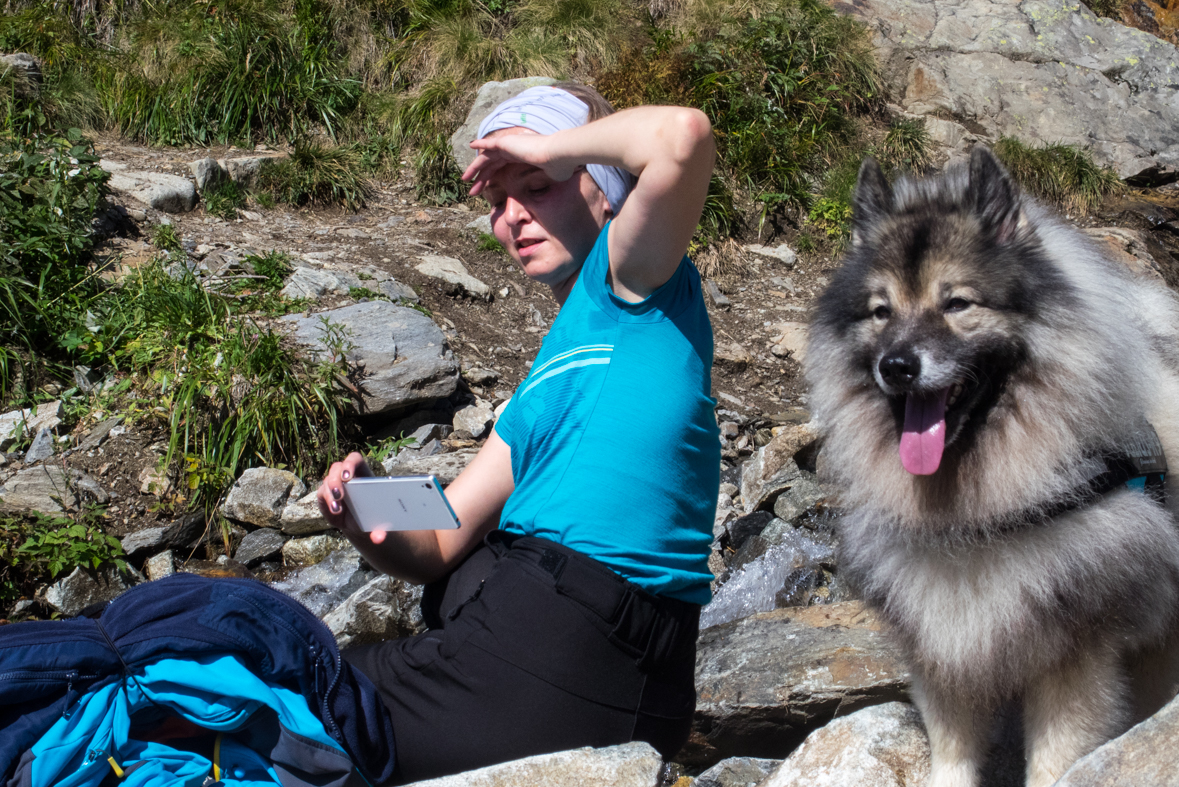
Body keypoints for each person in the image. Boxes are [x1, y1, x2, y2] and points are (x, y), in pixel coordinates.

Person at [316, 83, 720, 784]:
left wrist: (546, 144)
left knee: (288, 681)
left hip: (560, 643)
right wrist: (367, 512)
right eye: (499, 202)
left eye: (538, 186)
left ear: (605, 191)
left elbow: (682, 134)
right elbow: (442, 538)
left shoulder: (632, 277)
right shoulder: (553, 370)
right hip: (630, 679)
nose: (513, 217)